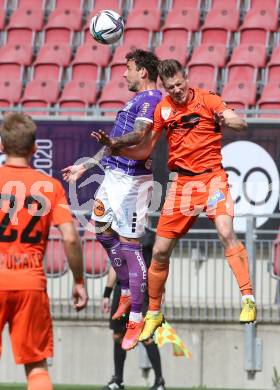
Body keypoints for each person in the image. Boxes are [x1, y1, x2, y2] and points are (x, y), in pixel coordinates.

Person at [91, 59, 257, 341]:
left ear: (186, 79)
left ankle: (248, 298)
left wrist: (229, 121)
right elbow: (145, 149)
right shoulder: (164, 109)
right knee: (159, 252)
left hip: (212, 178)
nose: (177, 90)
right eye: (171, 87)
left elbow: (239, 122)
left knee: (226, 231)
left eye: (180, 84)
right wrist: (115, 146)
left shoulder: (208, 100)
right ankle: (153, 313)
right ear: (165, 87)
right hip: (181, 184)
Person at [62, 49, 162, 350]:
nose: (123, 73)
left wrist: (115, 142)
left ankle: (136, 317)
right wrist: (86, 165)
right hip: (113, 178)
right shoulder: (133, 101)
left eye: (128, 68)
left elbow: (140, 134)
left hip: (132, 182)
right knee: (103, 232)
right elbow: (114, 144)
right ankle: (127, 290)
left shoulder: (151, 99)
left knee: (131, 247)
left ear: (142, 71)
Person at [0, 113, 88, 390]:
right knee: (36, 365)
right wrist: (78, 281)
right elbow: (71, 238)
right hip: (30, 283)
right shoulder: (50, 187)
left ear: (2, 146)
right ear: (34, 148)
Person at [102, 227, 166, 390]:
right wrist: (107, 294)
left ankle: (159, 382)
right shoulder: (119, 234)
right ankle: (118, 380)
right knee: (118, 335)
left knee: (146, 336)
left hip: (142, 291)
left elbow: (158, 263)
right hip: (121, 290)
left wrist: (160, 290)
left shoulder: (150, 237)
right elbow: (115, 265)